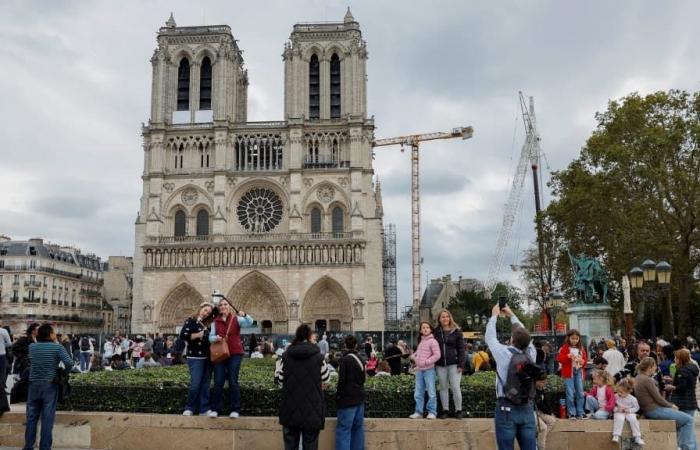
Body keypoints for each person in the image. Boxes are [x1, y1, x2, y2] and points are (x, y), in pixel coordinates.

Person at [485, 303, 537, 450]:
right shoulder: (532, 353)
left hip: (506, 406)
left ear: (512, 340)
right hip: (527, 406)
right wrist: (512, 315)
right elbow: (525, 335)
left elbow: (490, 337)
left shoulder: (503, 354)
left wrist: (494, 316)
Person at [275, 323, 330, 450]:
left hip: (290, 410)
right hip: (312, 410)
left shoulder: (287, 356)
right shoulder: (319, 357)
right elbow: (326, 379)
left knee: (290, 446)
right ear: (310, 337)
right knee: (310, 445)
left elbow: (280, 381)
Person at [23, 323, 74, 450]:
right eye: (53, 332)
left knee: (31, 417)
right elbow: (69, 363)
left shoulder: (32, 347)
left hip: (33, 384)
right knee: (47, 419)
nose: (55, 334)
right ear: (50, 334)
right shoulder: (57, 348)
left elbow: (31, 361)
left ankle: (28, 446)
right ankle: (45, 447)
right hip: (49, 385)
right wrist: (63, 373)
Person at [635, 356, 695, 450]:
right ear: (649, 367)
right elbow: (658, 398)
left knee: (682, 422)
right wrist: (671, 405)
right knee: (689, 420)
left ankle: (681, 447)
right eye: (654, 366)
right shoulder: (647, 380)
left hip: (650, 409)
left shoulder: (638, 377)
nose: (655, 368)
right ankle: (685, 448)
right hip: (654, 410)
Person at [208, 297, 254, 418]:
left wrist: (245, 315)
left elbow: (250, 323)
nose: (223, 306)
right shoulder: (215, 322)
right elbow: (210, 337)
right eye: (221, 305)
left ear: (229, 307)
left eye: (225, 304)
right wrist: (216, 338)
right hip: (220, 353)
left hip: (234, 353)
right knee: (218, 381)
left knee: (233, 381)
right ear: (219, 308)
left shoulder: (236, 319)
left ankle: (235, 409)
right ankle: (215, 409)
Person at [179, 302, 214, 416]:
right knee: (195, 384)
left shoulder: (208, 324)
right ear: (200, 308)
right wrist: (198, 335)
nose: (206, 313)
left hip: (208, 357)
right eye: (205, 310)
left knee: (205, 385)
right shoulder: (191, 321)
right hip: (195, 357)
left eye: (209, 312)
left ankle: (204, 409)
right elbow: (183, 335)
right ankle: (189, 408)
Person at [335, 335, 365, 450]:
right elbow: (363, 379)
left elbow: (341, 381)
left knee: (344, 430)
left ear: (345, 346)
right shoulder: (361, 359)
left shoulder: (344, 360)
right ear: (356, 345)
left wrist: (338, 396)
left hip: (347, 400)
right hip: (359, 398)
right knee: (358, 429)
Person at [434, 309, 465, 419]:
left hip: (454, 364)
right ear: (439, 319)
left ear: (450, 318)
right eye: (443, 317)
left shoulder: (457, 331)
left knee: (456, 387)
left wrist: (461, 364)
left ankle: (458, 410)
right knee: (443, 387)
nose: (445, 318)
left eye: (447, 316)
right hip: (440, 364)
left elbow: (462, 349)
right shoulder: (436, 332)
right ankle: (445, 410)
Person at [408, 321, 441, 420]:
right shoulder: (421, 342)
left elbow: (437, 355)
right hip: (419, 370)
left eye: (427, 327)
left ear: (430, 329)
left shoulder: (433, 341)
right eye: (423, 327)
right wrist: (413, 357)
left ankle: (432, 412)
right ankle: (418, 412)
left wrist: (427, 362)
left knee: (431, 391)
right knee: (418, 392)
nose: (425, 329)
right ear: (421, 330)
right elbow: (418, 353)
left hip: (429, 370)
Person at [557, 329, 587, 419]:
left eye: (576, 339)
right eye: (572, 338)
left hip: (578, 371)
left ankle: (580, 412)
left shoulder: (581, 348)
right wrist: (567, 356)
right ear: (568, 338)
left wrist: (582, 361)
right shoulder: (565, 348)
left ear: (579, 339)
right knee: (570, 393)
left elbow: (585, 360)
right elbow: (559, 359)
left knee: (580, 392)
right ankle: (571, 413)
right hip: (568, 372)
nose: (574, 340)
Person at [668, 348, 699, 427]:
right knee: (689, 426)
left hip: (683, 402)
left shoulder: (683, 370)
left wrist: (672, 387)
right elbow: (687, 382)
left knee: (684, 427)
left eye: (676, 357)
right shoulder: (692, 368)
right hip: (691, 401)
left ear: (680, 359)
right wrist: (672, 380)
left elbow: (682, 387)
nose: (674, 359)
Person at [612, 377, 644, 445]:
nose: (619, 393)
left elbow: (636, 408)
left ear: (628, 392)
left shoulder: (632, 399)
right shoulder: (616, 396)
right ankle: (616, 435)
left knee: (633, 420)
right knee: (619, 419)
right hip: (619, 411)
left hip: (629, 412)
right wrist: (617, 409)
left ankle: (637, 437)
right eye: (618, 391)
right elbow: (612, 406)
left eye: (621, 392)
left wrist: (629, 410)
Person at [534, 374, 556, 450]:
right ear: (537, 381)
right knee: (543, 428)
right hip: (533, 412)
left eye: (545, 382)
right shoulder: (533, 389)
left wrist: (550, 413)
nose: (544, 384)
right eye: (542, 382)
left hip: (540, 411)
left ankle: (539, 439)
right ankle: (541, 447)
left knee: (552, 420)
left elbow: (545, 402)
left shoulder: (542, 389)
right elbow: (539, 404)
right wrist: (548, 412)